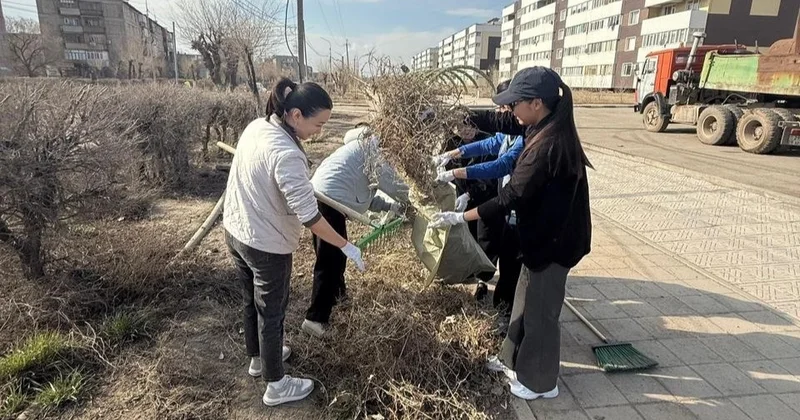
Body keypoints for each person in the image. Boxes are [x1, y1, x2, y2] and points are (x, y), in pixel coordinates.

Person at [429, 67, 593, 400]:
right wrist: (454, 115)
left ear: (535, 103)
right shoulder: (539, 124)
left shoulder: (546, 146)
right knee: (523, 301)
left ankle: (540, 382)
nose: (509, 111)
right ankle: (512, 359)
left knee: (542, 315)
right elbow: (499, 123)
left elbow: (509, 197)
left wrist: (460, 217)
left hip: (554, 244)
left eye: (514, 104)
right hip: (537, 239)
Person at [223, 78, 366, 407]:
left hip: (236, 230)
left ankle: (259, 360)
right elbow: (311, 216)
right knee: (271, 314)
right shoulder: (286, 153)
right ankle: (276, 384)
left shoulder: (259, 126)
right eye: (318, 124)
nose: (320, 131)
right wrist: (345, 245)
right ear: (296, 114)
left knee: (252, 303)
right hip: (264, 244)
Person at [302, 126, 409, 338]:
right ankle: (315, 319)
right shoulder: (373, 152)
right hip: (328, 201)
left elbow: (366, 196)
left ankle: (338, 296)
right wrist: (413, 201)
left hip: (323, 197)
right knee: (329, 260)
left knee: (335, 255)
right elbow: (395, 186)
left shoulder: (359, 149)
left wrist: (391, 207)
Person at [432, 80, 524, 318]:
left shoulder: (523, 137)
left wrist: (456, 173)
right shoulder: (507, 133)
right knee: (500, 251)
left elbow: (501, 165)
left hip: (511, 204)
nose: (499, 115)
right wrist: (453, 154)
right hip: (502, 203)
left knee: (507, 258)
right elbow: (492, 143)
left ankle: (505, 314)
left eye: (503, 110)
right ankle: (501, 305)